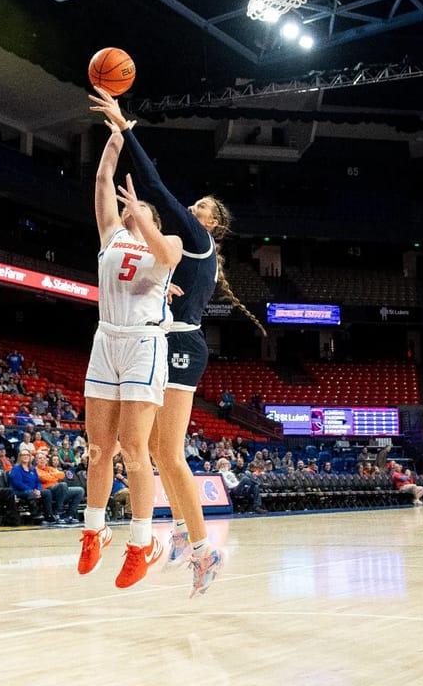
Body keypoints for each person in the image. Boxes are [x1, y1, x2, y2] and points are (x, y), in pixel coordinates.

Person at [90, 88, 265, 596]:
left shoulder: (198, 238)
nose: (191, 208)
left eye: (200, 208)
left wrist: (125, 131)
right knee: (151, 449)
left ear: (212, 224)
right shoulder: (184, 250)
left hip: (181, 347)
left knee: (166, 452)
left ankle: (204, 550)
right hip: (162, 341)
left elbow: (156, 188)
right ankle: (187, 534)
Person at [76, 115, 182, 590]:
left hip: (144, 344)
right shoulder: (111, 236)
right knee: (99, 448)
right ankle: (94, 531)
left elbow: (168, 255)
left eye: (136, 211)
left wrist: (143, 215)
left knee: (136, 448)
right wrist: (117, 138)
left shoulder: (168, 243)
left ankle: (142, 542)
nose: (127, 212)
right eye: (126, 210)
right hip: (106, 341)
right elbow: (102, 180)